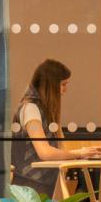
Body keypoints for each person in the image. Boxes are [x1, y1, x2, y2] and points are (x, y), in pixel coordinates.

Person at [11, 56, 74, 187]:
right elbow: (45, 152)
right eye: (63, 84)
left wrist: (82, 153)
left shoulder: (48, 111)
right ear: (50, 85)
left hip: (48, 182)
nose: (65, 90)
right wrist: (79, 154)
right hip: (30, 185)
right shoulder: (30, 108)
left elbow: (61, 148)